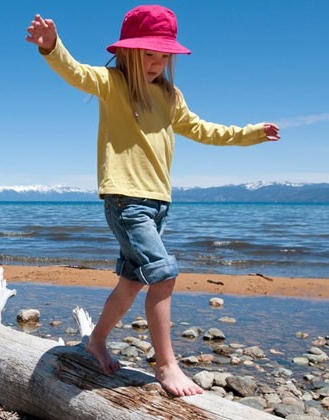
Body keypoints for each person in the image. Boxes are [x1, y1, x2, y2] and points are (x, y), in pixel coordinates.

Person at [26, 5, 280, 397]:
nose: (157, 62)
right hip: (126, 201)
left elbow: (203, 129)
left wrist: (252, 133)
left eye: (164, 55)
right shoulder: (112, 83)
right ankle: (166, 364)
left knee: (131, 282)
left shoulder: (170, 96)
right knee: (163, 273)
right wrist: (51, 46)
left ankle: (95, 341)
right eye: (149, 53)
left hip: (159, 203)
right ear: (128, 51)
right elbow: (75, 71)